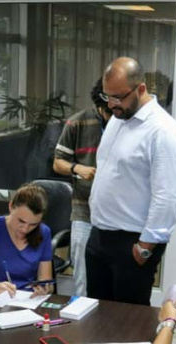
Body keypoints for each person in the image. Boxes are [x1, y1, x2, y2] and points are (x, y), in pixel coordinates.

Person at [87, 57, 176, 305]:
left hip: (133, 242)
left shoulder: (162, 131)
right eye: (107, 96)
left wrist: (145, 246)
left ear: (141, 89)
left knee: (129, 321)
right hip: (100, 235)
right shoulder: (118, 119)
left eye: (118, 97)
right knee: (97, 316)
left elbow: (168, 196)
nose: (111, 104)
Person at [52, 79, 112, 296]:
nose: (113, 117)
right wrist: (77, 168)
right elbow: (58, 162)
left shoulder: (128, 123)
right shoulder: (78, 122)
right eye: (108, 112)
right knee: (83, 279)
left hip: (118, 216)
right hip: (84, 211)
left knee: (113, 280)